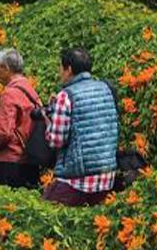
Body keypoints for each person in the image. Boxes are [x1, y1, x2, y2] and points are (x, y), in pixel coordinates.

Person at [42, 46, 120, 206]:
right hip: (107, 176)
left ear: (68, 69)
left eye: (60, 69)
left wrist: (47, 120)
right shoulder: (106, 89)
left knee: (46, 211)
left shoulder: (66, 95)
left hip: (77, 179)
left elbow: (56, 140)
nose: (59, 73)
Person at [0, 48, 40, 188]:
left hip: (9, 165)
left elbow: (4, 133)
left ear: (6, 68)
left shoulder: (9, 94)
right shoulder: (32, 93)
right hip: (30, 163)